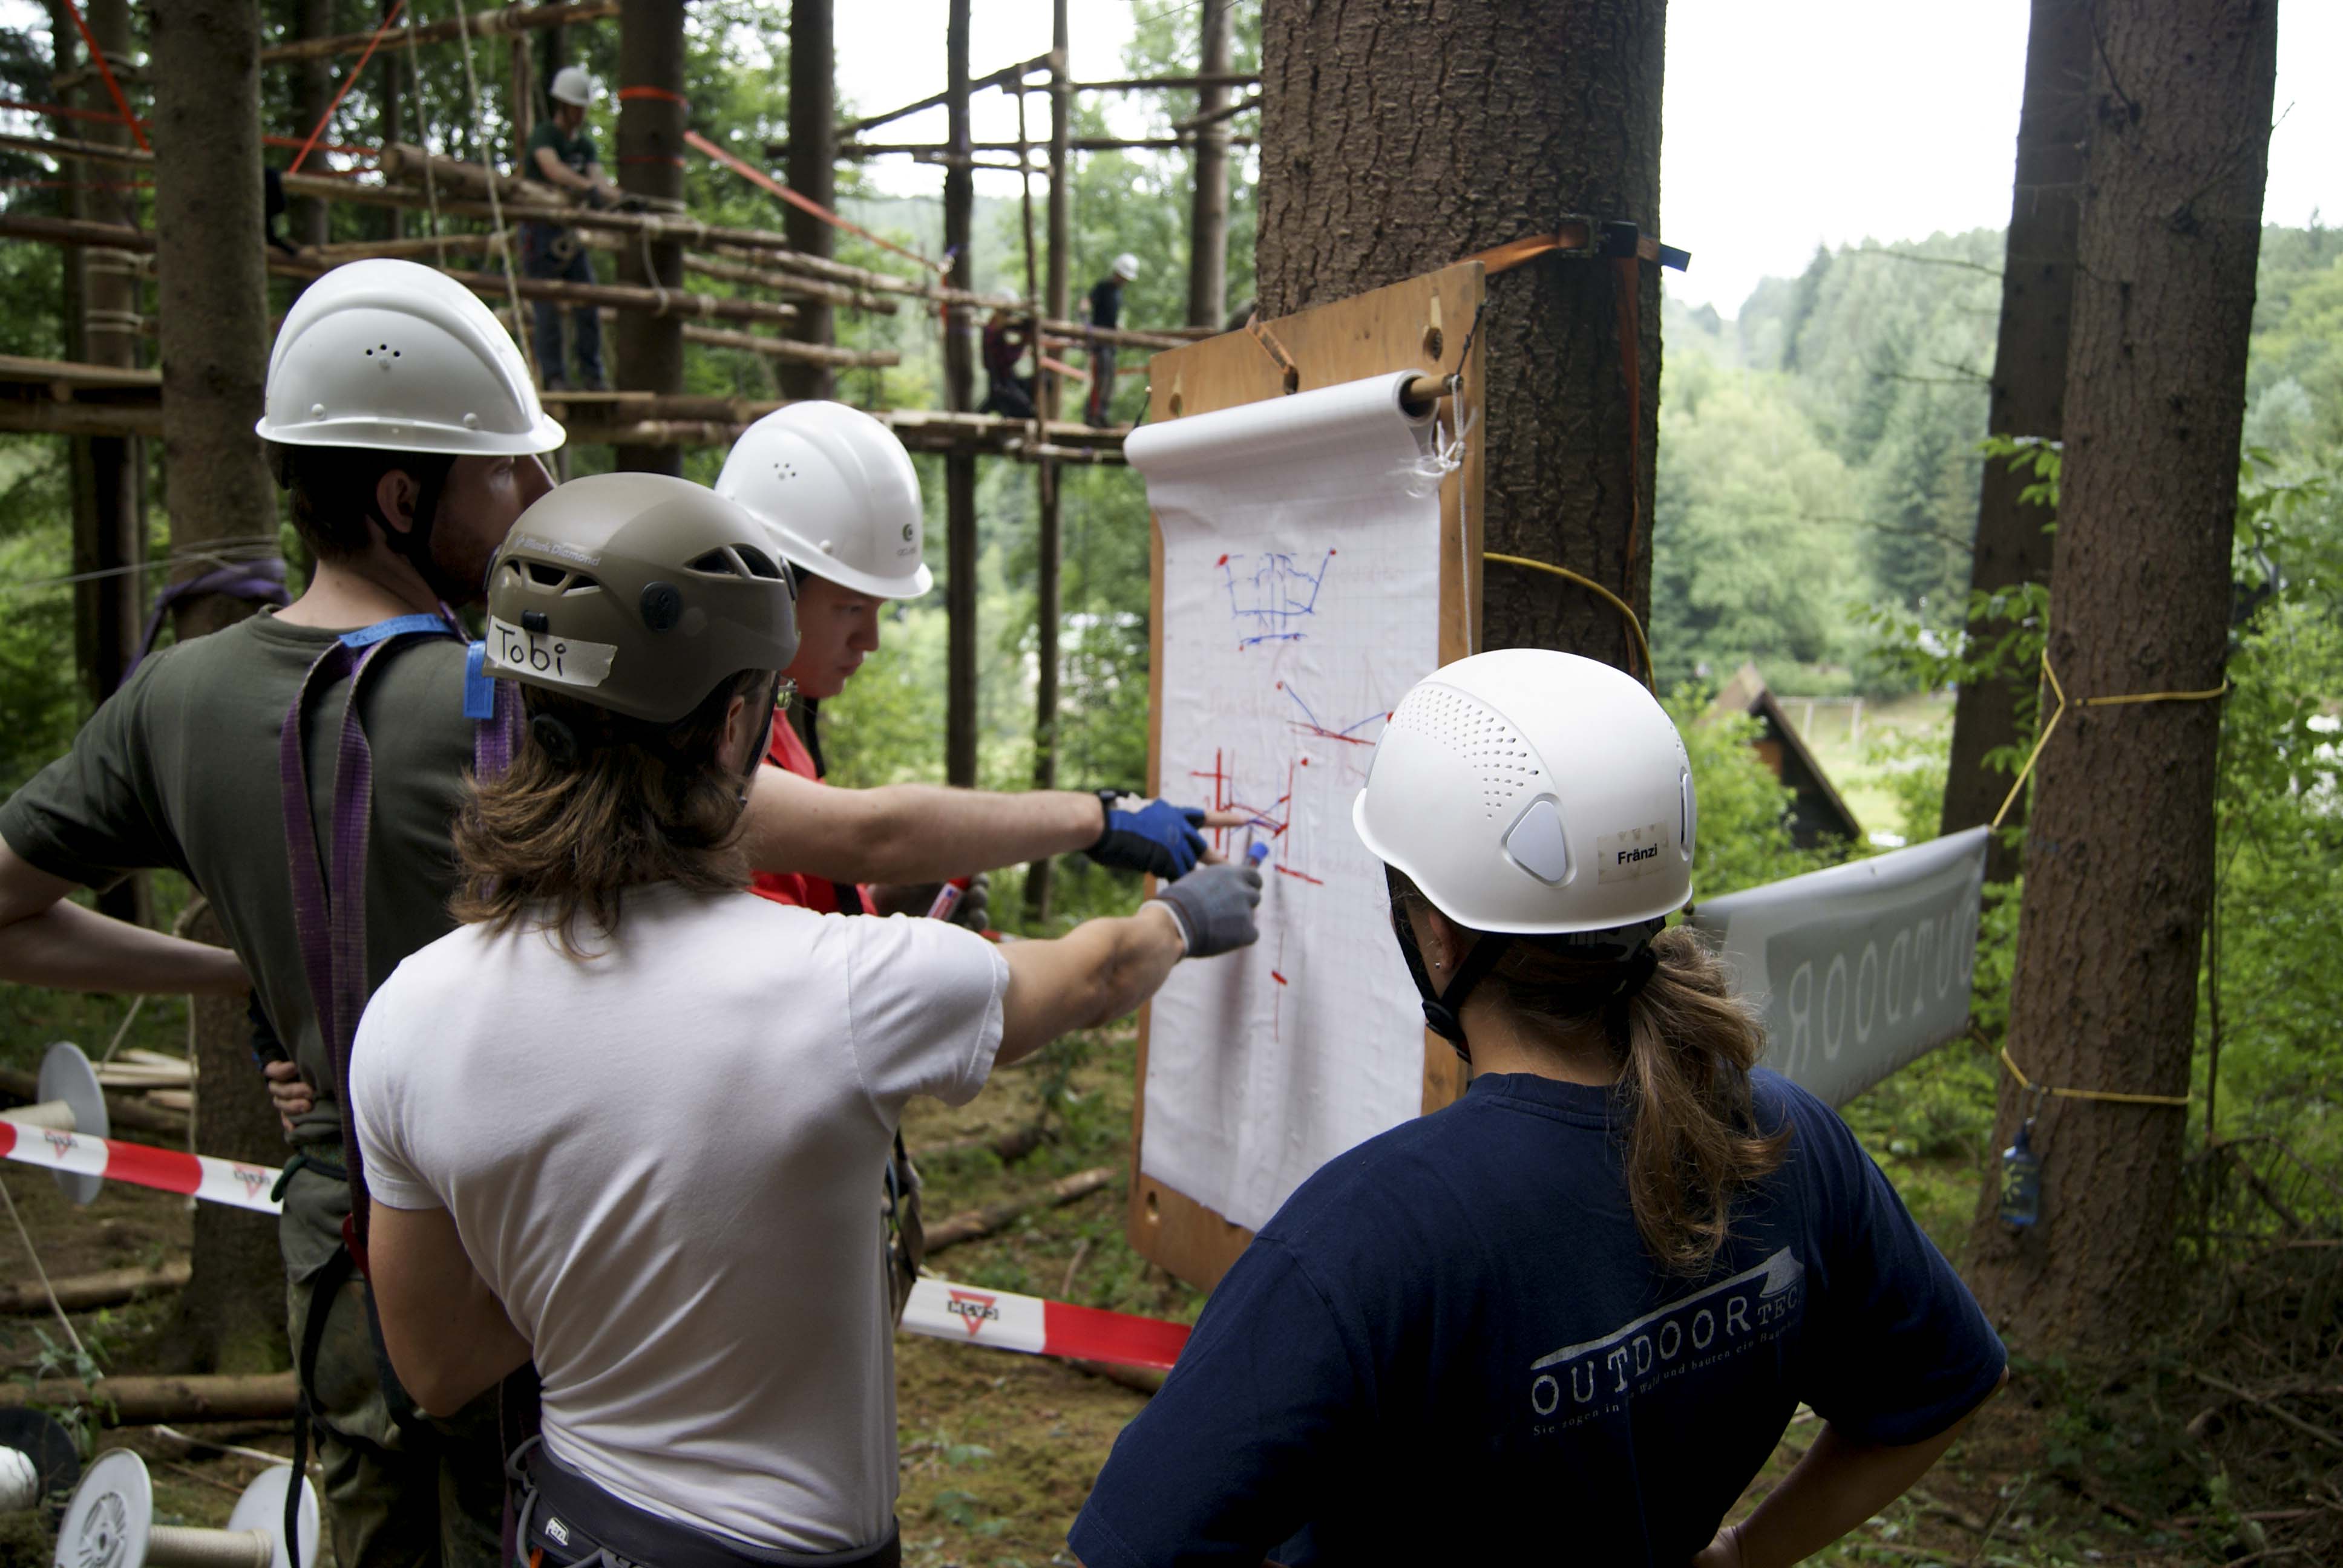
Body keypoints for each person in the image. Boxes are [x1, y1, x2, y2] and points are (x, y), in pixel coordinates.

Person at [0, 260, 1216, 1568]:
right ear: (401, 495)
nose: (530, 494)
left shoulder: (174, 702)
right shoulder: (504, 697)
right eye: (501, 473)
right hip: (554, 1228)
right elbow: (859, 831)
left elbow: (10, 917)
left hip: (353, 1214)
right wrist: (1096, 819)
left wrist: (255, 980)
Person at [350, 472, 1262, 1566]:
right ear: (737, 721)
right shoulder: (850, 986)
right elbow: (1090, 974)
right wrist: (1182, 920)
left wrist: (603, 1269)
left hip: (574, 1528)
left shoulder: (407, 1014)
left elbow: (439, 1364)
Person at [1068, 649, 2008, 1567]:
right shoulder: (1783, 1140)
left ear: (1434, 934)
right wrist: (1749, 1553)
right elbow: (1945, 1382)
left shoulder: (1365, 1240)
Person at [715, 400, 1210, 922]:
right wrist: (1098, 821)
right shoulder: (699, 745)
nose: (870, 639)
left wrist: (880, 909)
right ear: (768, 589)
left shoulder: (765, 723)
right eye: (852, 608)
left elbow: (796, 898)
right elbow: (871, 835)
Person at [520, 65, 617, 391]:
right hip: (540, 230)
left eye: (583, 107)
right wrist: (586, 188)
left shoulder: (585, 145)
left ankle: (592, 375)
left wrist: (615, 197)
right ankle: (555, 376)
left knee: (587, 299)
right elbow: (552, 169)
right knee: (546, 306)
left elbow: (598, 179)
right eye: (576, 107)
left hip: (569, 235)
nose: (580, 113)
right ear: (563, 105)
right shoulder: (545, 136)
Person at [1083, 252, 1139, 426]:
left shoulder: (1118, 294)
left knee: (1109, 380)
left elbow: (1111, 318)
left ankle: (1102, 414)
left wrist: (1119, 330)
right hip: (1100, 342)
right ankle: (1092, 415)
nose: (1123, 281)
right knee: (1102, 378)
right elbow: (1087, 302)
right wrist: (1084, 310)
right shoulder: (1102, 287)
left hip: (1110, 343)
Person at [978, 309, 1037, 420]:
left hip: (1008, 382)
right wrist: (1023, 343)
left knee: (1045, 381)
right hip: (1002, 387)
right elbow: (1005, 359)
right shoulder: (991, 334)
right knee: (1027, 412)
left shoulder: (995, 334)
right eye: (1007, 314)